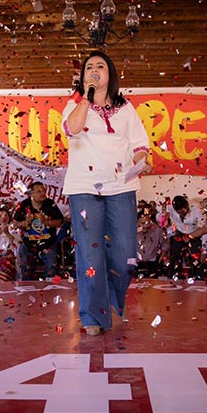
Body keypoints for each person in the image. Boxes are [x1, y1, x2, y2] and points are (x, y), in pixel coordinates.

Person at [61, 50, 151, 336]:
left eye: (100, 66)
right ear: (83, 76)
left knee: (125, 255)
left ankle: (112, 301)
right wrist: (85, 98)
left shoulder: (126, 108)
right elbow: (73, 130)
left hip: (121, 186)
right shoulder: (74, 104)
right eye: (89, 67)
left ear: (110, 74)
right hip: (84, 188)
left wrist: (142, 162)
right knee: (90, 254)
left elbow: (140, 145)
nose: (94, 70)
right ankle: (92, 316)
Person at [13, 182, 64, 280]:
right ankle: (27, 285)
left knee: (51, 263)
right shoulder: (24, 205)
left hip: (48, 243)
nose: (43, 193)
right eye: (39, 191)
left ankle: (49, 285)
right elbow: (15, 223)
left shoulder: (50, 204)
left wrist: (46, 221)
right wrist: (25, 223)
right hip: (28, 243)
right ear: (31, 194)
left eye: (44, 191)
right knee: (24, 258)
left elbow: (60, 222)